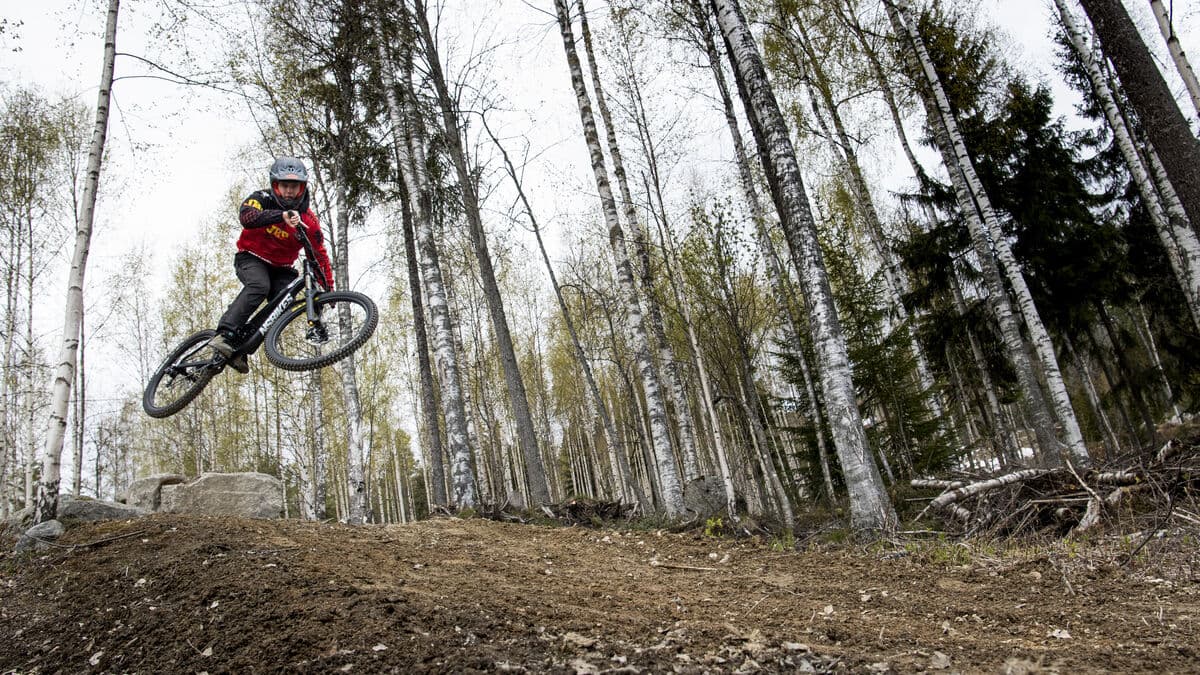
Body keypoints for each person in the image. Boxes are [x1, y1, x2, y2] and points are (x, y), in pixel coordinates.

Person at [208, 157, 335, 373]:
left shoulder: (308, 220)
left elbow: (318, 254)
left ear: (302, 188)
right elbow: (247, 216)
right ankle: (225, 333)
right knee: (259, 286)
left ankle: (243, 348)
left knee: (283, 302)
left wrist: (329, 287)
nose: (288, 192)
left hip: (282, 268)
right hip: (251, 257)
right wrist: (281, 216)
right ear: (275, 185)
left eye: (293, 187)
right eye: (284, 186)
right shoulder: (262, 198)